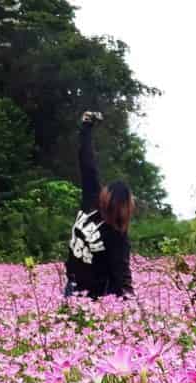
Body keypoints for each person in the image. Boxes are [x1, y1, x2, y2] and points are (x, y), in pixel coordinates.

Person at [64, 111, 135, 299]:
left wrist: (132, 306)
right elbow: (87, 162)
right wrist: (86, 127)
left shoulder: (117, 235)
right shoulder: (92, 199)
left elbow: (122, 274)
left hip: (98, 301)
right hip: (72, 288)